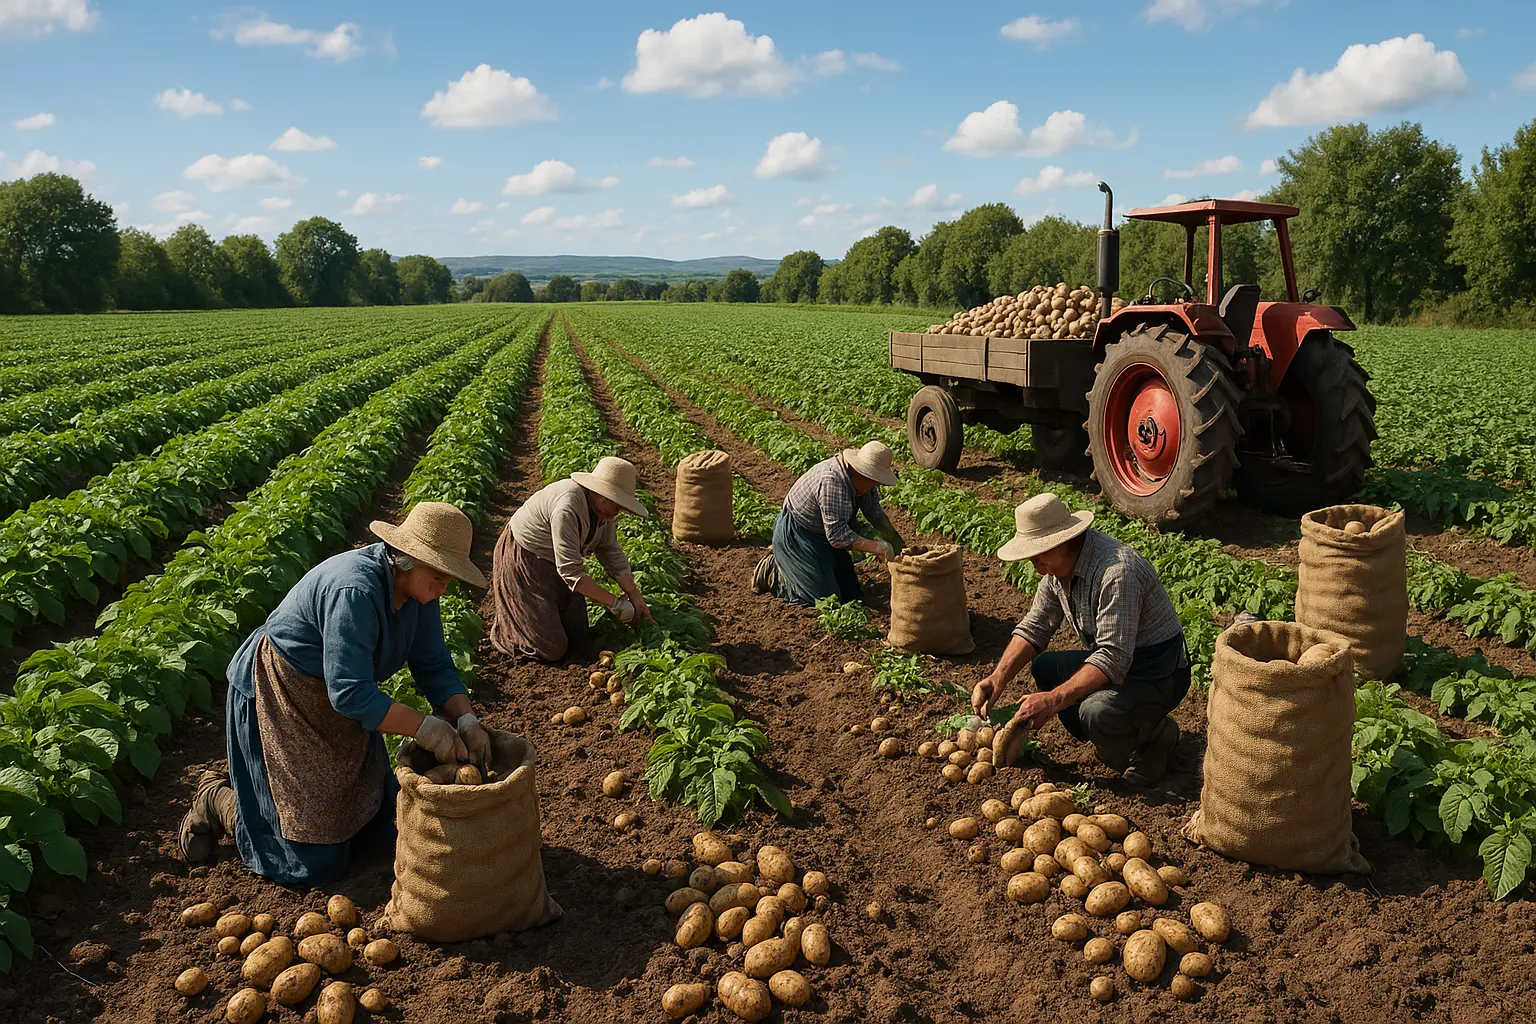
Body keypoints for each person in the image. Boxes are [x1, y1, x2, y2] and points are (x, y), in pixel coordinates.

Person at [179, 502, 492, 886]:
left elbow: (435, 666)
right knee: (314, 864)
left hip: (341, 704)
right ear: (408, 559)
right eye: (439, 574)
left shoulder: (419, 594)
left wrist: (466, 719)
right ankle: (219, 801)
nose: (444, 586)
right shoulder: (354, 590)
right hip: (285, 696)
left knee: (384, 829)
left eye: (450, 577)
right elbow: (350, 694)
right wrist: (425, 728)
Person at [972, 493, 1189, 787]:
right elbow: (1035, 626)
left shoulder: (1116, 572)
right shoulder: (1058, 570)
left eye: (1039, 556)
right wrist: (998, 677)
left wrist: (1051, 701)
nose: (1036, 567)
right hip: (1120, 660)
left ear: (1061, 542)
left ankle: (1155, 738)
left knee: (1095, 712)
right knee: (1046, 667)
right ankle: (1124, 728)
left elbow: (1112, 658)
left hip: (1159, 670)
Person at [489, 455, 653, 662]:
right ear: (602, 495)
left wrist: (634, 596)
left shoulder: (604, 513)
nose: (617, 512)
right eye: (617, 505)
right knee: (551, 648)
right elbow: (571, 572)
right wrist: (615, 604)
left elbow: (610, 551)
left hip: (558, 561)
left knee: (579, 638)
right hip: (526, 558)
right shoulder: (567, 507)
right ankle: (507, 631)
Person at [752, 440, 904, 605]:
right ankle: (775, 570)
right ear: (862, 472)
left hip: (824, 531)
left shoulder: (861, 481)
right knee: (823, 599)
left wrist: (897, 542)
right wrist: (876, 547)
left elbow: (874, 512)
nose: (875, 485)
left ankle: (808, 568)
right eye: (874, 481)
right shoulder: (832, 481)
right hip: (799, 532)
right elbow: (837, 536)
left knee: (851, 595)